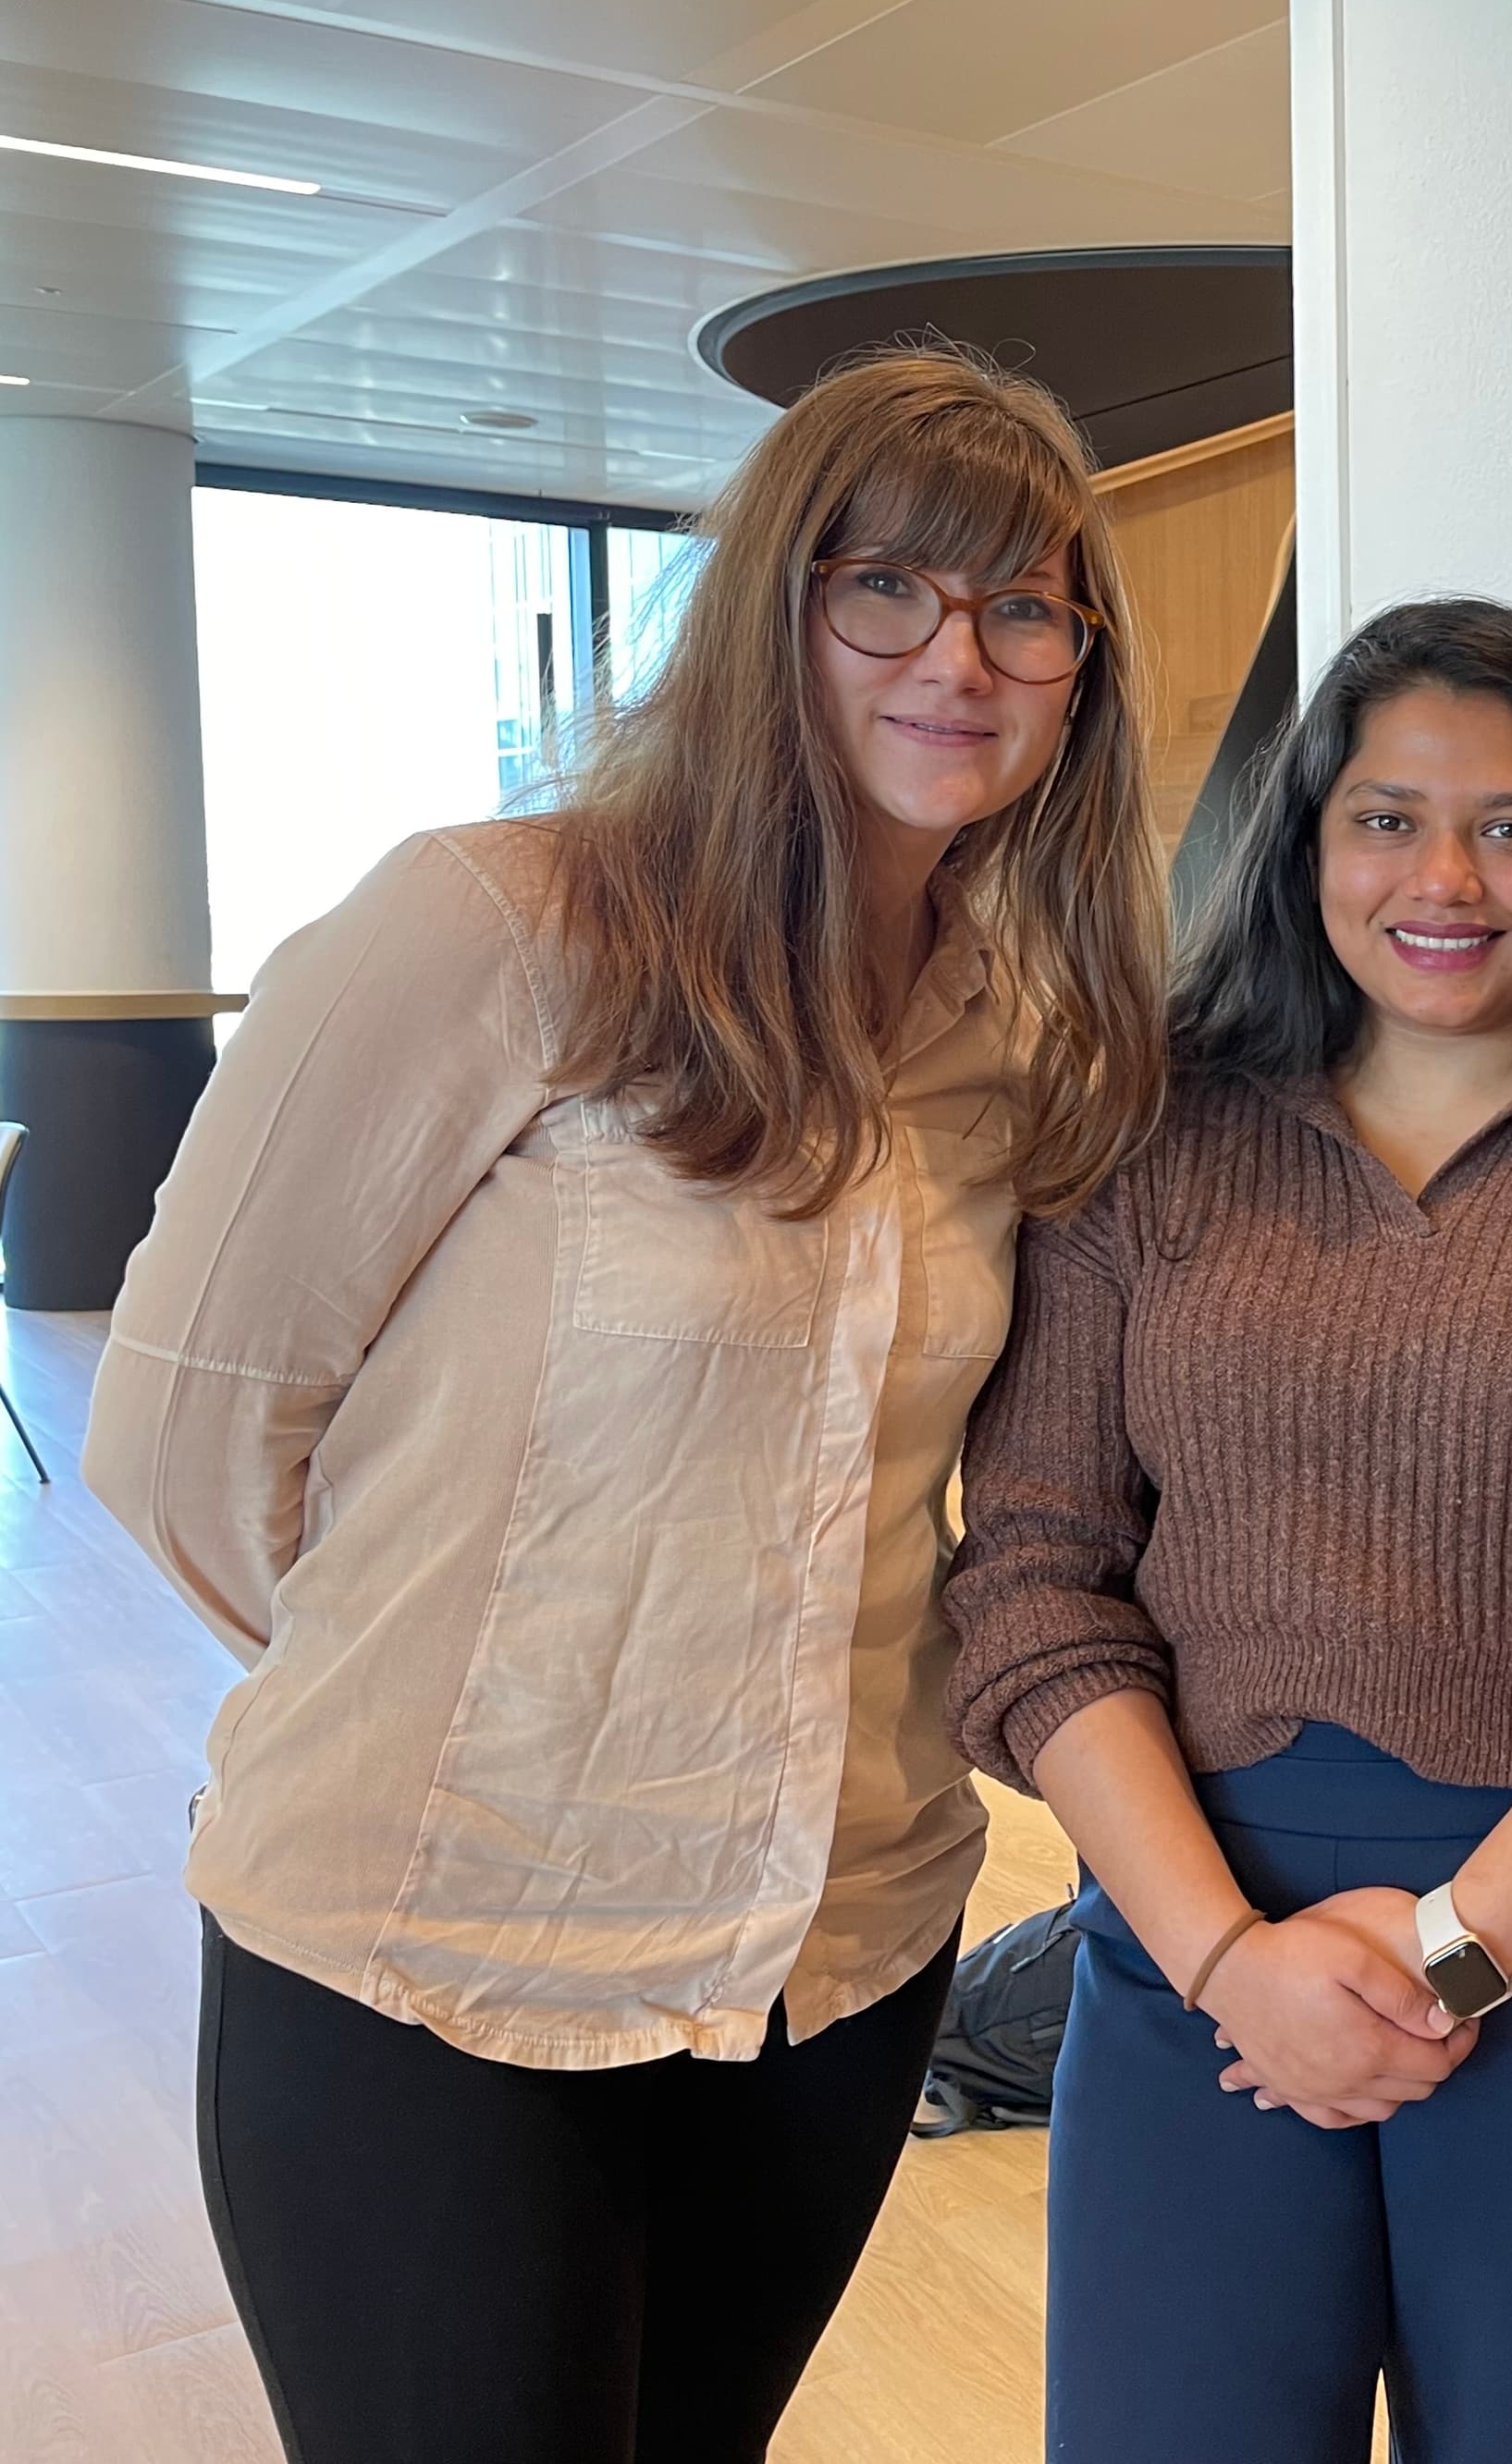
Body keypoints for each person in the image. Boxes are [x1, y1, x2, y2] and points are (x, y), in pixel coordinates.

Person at [83, 346, 1172, 2463]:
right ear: (779, 604)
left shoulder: (1016, 1030)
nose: (960, 656)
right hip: (436, 1953)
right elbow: (184, 1433)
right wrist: (447, 1685)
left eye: (1025, 608)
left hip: (835, 1960)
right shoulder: (493, 927)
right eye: (892, 589)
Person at [944, 597, 1512, 2464]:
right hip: (1199, 1943)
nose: (1445, 876)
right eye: (1386, 817)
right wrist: (1230, 1964)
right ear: (1305, 843)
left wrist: (1451, 1954)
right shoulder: (1146, 1133)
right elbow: (1036, 1577)